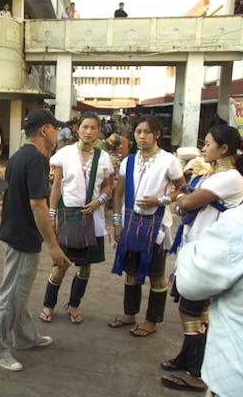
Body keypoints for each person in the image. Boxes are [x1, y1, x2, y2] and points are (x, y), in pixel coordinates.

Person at [0, 109, 70, 372]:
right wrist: (54, 246)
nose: (57, 133)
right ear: (45, 130)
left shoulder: (21, 155)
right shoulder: (35, 159)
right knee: (9, 296)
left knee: (18, 294)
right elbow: (37, 204)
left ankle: (24, 337)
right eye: (55, 128)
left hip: (17, 234)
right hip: (21, 238)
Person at [160, 124, 243, 392]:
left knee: (191, 309)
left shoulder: (229, 177)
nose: (204, 148)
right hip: (197, 246)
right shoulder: (213, 174)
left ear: (224, 149)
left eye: (208, 144)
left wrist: (184, 196)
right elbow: (184, 195)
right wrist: (185, 195)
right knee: (191, 307)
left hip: (211, 254)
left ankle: (196, 371)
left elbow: (184, 202)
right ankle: (188, 359)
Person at [108, 115, 186, 337]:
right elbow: (118, 193)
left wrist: (160, 200)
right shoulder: (128, 161)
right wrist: (116, 222)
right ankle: (129, 314)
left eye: (147, 132)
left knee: (156, 275)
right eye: (138, 132)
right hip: (130, 223)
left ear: (157, 135)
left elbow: (183, 190)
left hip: (156, 226)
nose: (142, 136)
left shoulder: (169, 161)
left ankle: (152, 320)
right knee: (130, 272)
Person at [39, 112, 114, 324]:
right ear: (77, 129)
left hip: (92, 218)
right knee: (61, 264)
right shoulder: (65, 154)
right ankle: (48, 304)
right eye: (85, 127)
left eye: (93, 128)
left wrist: (99, 201)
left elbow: (109, 185)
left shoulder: (104, 158)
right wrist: (52, 214)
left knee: (85, 265)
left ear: (99, 131)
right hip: (68, 216)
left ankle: (73, 305)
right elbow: (56, 186)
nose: (89, 132)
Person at [175, 203, 243, 397]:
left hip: (233, 378)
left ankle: (194, 370)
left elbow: (191, 282)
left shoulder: (237, 223)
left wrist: (191, 249)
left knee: (190, 311)